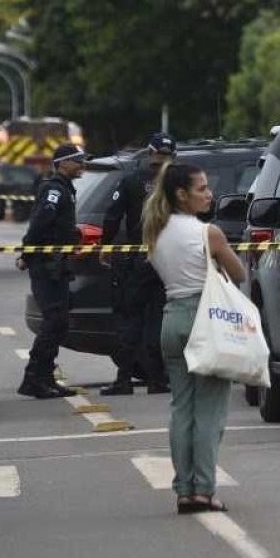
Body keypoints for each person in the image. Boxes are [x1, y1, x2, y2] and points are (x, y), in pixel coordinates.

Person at [144, 162, 246, 513]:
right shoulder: (209, 233)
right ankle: (204, 489)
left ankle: (184, 489)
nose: (209, 194)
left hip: (171, 320)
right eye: (202, 189)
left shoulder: (154, 231)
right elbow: (239, 273)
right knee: (210, 412)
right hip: (206, 319)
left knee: (181, 409)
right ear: (181, 195)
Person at [100, 132, 177, 396]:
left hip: (138, 260)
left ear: (149, 152)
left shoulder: (132, 180)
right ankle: (157, 379)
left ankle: (123, 379)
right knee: (157, 319)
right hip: (167, 260)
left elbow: (112, 216)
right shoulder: (178, 183)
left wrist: (106, 245)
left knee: (131, 319)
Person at [16, 143, 88, 399]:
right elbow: (40, 224)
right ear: (62, 163)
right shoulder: (54, 190)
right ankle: (33, 379)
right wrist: (27, 254)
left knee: (59, 322)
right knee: (54, 320)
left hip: (57, 264)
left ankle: (45, 377)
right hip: (46, 264)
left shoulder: (65, 189)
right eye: (77, 160)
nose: (82, 164)